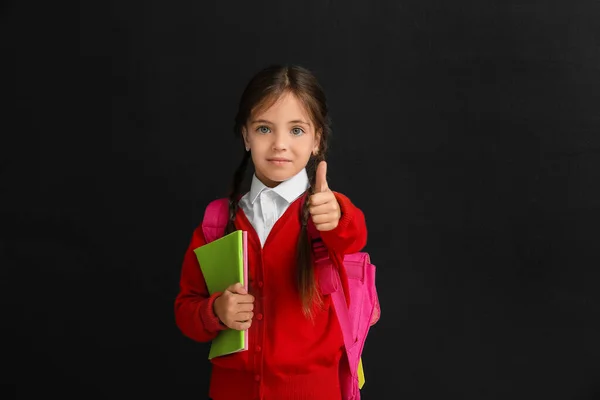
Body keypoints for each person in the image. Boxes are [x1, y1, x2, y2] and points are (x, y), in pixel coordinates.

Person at [174, 64, 368, 400]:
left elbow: (353, 235)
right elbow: (185, 309)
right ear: (246, 136)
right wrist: (215, 311)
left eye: (296, 130)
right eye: (264, 129)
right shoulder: (218, 221)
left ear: (317, 139)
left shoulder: (326, 212)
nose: (279, 144)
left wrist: (337, 213)